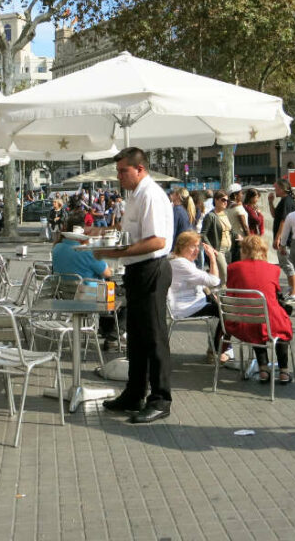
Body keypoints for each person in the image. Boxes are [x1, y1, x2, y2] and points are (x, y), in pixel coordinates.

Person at [94, 147, 174, 424]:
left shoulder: (150, 194)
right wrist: (102, 235)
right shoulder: (136, 195)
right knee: (137, 337)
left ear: (139, 169)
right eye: (117, 172)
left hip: (151, 268)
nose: (119, 177)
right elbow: (132, 234)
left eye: (122, 171)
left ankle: (161, 399)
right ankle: (134, 392)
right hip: (137, 270)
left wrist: (113, 253)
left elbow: (157, 241)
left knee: (153, 336)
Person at [225, 235, 294, 384]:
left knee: (256, 322)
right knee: (281, 327)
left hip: (243, 321)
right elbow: (275, 294)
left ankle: (263, 368)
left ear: (244, 250)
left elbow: (231, 291)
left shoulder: (233, 268)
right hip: (269, 320)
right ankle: (284, 371)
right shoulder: (273, 269)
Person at [52, 211, 117, 342]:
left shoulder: (57, 248)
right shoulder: (87, 251)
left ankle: (107, 331)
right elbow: (107, 273)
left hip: (64, 297)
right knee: (120, 294)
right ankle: (113, 336)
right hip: (89, 297)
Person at [168, 230, 227, 362]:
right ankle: (216, 350)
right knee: (223, 312)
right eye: (192, 246)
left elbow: (204, 284)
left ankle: (217, 348)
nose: (196, 250)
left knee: (219, 305)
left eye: (198, 246)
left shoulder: (178, 260)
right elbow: (214, 281)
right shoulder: (181, 264)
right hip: (185, 307)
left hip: (190, 303)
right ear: (182, 246)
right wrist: (212, 258)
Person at [268, 178, 295, 303]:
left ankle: (293, 293)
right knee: (287, 266)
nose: (275, 191)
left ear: (282, 188)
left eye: (276, 188)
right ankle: (293, 292)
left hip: (286, 239)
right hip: (285, 238)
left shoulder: (287, 201)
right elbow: (276, 215)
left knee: (288, 266)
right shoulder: (284, 201)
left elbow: (283, 220)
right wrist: (270, 203)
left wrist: (278, 238)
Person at [200, 191, 232, 284]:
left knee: (228, 275)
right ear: (216, 200)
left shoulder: (226, 214)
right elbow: (203, 234)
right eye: (223, 200)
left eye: (227, 200)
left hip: (228, 249)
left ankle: (223, 294)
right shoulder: (210, 216)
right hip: (218, 249)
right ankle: (220, 296)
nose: (226, 202)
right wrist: (212, 249)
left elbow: (230, 230)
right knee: (224, 275)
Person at [225, 183, 249, 263]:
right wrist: (250, 239)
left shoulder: (228, 207)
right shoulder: (238, 208)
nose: (242, 195)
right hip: (240, 239)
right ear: (235, 195)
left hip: (232, 238)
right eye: (241, 193)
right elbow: (245, 226)